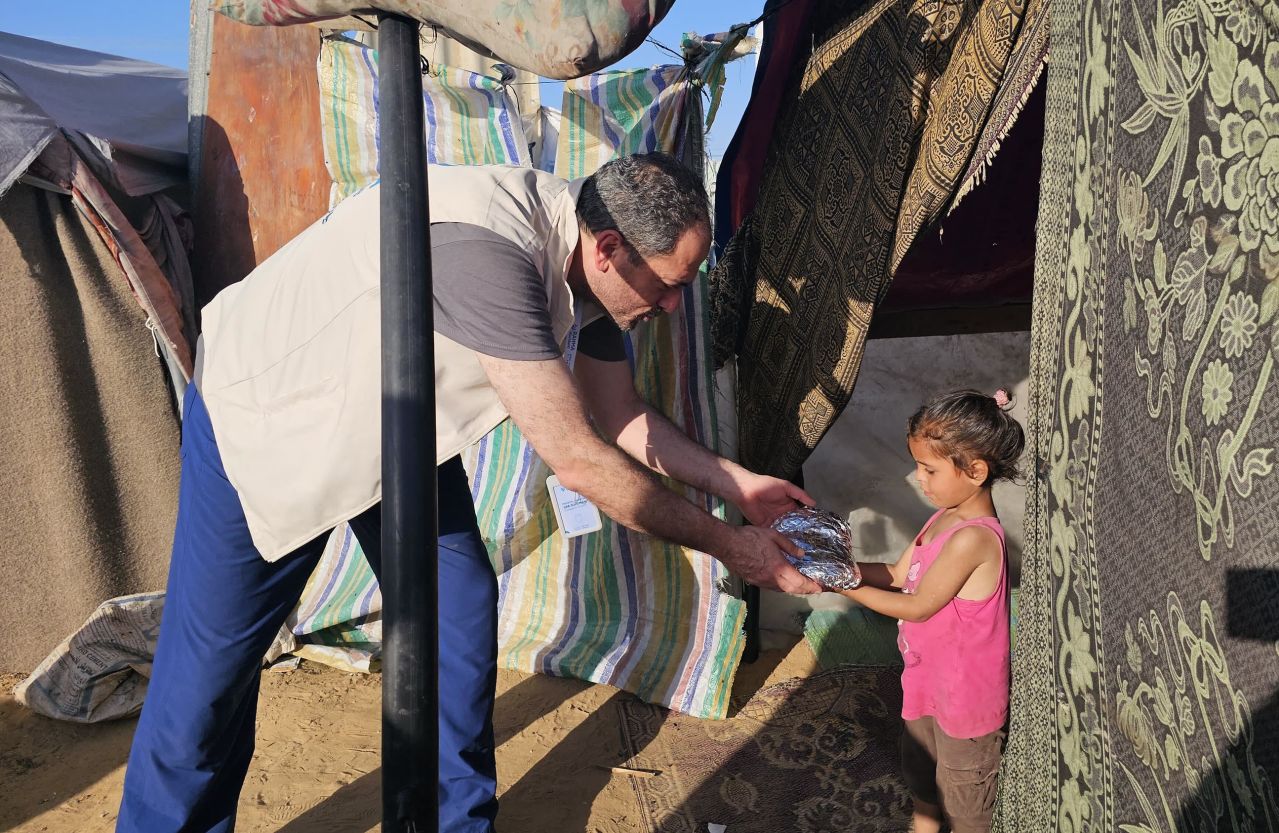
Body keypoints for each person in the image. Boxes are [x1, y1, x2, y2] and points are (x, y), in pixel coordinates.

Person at [116, 153, 820, 833]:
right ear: (610, 248)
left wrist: (739, 486)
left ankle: (454, 821)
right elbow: (580, 460)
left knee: (456, 609)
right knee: (208, 680)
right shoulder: (491, 254)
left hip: (390, 424)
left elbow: (621, 414)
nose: (672, 304)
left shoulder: (596, 271)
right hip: (268, 413)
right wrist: (734, 547)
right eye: (668, 284)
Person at [835, 388, 1023, 833]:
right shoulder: (942, 519)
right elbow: (901, 574)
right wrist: (841, 566)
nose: (918, 478)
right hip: (926, 685)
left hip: (966, 704)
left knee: (966, 805)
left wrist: (837, 583)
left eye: (929, 468)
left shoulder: (974, 538)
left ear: (975, 471)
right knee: (922, 781)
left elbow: (916, 607)